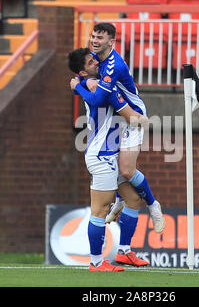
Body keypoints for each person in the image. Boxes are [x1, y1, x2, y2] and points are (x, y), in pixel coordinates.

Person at [68, 47, 150, 272]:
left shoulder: (96, 82)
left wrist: (79, 84)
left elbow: (92, 83)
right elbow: (97, 98)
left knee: (133, 200)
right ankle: (95, 262)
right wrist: (82, 85)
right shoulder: (96, 89)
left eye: (94, 58)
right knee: (100, 209)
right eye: (90, 62)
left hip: (110, 155)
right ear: (83, 72)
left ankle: (124, 252)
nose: (95, 61)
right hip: (100, 156)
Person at [83, 22, 165, 233]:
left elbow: (100, 97)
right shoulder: (95, 60)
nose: (94, 41)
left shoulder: (113, 65)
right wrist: (83, 83)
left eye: (100, 38)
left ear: (112, 42)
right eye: (93, 36)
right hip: (116, 117)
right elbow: (82, 77)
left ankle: (153, 205)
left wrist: (85, 84)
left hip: (132, 115)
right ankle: (119, 200)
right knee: (115, 165)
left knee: (127, 170)